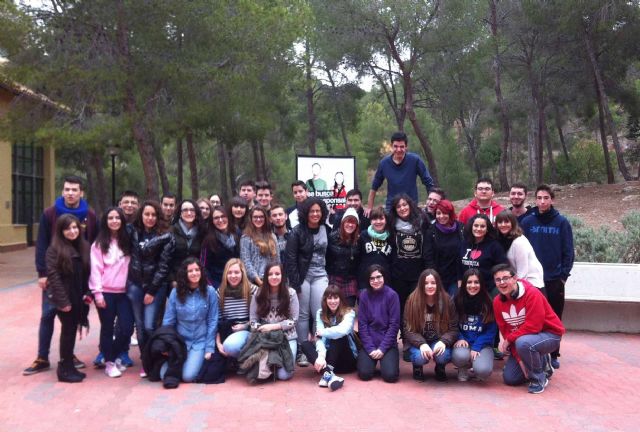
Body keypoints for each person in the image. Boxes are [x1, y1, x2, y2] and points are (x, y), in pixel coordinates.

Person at [24, 175, 97, 376]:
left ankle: (68, 356)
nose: (70, 193)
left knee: (72, 319)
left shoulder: (90, 215)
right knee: (48, 315)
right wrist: (42, 273)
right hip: (54, 275)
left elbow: (94, 244)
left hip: (77, 279)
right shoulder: (50, 213)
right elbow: (42, 244)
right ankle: (42, 357)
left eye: (75, 189)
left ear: (81, 192)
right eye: (67, 189)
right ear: (62, 191)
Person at [520, 184, 574, 369]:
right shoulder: (527, 222)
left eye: (546, 198)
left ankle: (554, 353)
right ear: (535, 200)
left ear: (552, 200)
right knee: (533, 317)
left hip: (554, 279)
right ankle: (534, 352)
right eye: (539, 198)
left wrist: (563, 276)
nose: (542, 201)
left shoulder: (561, 222)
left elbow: (569, 251)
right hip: (532, 281)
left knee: (554, 317)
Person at [492, 264, 565, 394]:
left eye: (506, 278)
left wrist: (509, 339)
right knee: (510, 378)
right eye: (498, 280)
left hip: (550, 334)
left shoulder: (532, 293)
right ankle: (542, 362)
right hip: (524, 340)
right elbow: (506, 331)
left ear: (515, 278)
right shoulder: (497, 302)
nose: (502, 283)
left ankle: (538, 379)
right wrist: (519, 359)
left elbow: (534, 326)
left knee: (523, 343)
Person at [127, 200, 175, 376]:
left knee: (149, 326)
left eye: (153, 215)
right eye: (147, 214)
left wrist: (152, 291)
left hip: (155, 287)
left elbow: (163, 267)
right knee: (139, 327)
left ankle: (155, 358)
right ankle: (145, 361)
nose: (150, 218)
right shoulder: (133, 233)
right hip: (135, 285)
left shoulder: (165, 236)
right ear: (141, 215)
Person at [284, 197, 330, 367]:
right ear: (305, 213)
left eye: (318, 211)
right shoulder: (296, 232)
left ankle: (319, 347)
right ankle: (302, 350)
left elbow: (330, 255)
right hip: (302, 277)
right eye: (312, 211)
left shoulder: (326, 229)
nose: (315, 214)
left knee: (318, 312)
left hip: (320, 276)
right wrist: (295, 284)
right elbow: (290, 260)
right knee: (302, 314)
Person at [45, 214, 91, 382]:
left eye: (75, 227)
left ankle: (69, 365)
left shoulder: (83, 246)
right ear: (60, 231)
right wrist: (63, 302)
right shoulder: (54, 249)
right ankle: (64, 368)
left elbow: (87, 274)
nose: (72, 231)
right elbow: (54, 277)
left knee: (70, 331)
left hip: (79, 297)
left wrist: (88, 294)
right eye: (68, 228)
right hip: (66, 299)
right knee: (68, 332)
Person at [89, 207, 134, 378]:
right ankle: (109, 363)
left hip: (124, 293)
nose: (114, 221)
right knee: (107, 329)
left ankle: (111, 356)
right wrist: (97, 293)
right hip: (106, 293)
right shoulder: (99, 244)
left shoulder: (127, 242)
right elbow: (95, 270)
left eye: (117, 218)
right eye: (110, 218)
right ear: (105, 221)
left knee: (127, 328)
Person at [162, 258, 218, 383]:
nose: (194, 273)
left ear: (201, 272)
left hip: (200, 342)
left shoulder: (210, 292)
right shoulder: (175, 293)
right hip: (180, 342)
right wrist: (167, 344)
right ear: (184, 274)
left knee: (188, 376)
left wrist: (209, 348)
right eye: (190, 271)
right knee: (163, 375)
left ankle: (190, 364)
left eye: (197, 270)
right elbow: (168, 321)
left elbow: (213, 321)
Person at [404, 269, 458, 382]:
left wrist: (443, 341)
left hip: (438, 339)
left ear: (438, 284)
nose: (430, 286)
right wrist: (421, 344)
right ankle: (417, 367)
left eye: (433, 283)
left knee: (443, 356)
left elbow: (453, 328)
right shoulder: (412, 300)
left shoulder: (447, 300)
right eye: (426, 283)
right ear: (421, 284)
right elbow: (407, 329)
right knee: (420, 357)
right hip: (419, 341)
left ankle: (440, 367)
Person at [300, 286, 357, 391]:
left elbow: (343, 330)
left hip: (347, 360)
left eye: (336, 298)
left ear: (340, 299)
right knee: (305, 344)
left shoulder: (349, 313)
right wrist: (321, 357)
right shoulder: (320, 313)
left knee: (338, 336)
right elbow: (319, 338)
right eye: (329, 298)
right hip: (327, 358)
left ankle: (326, 373)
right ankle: (329, 375)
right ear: (325, 300)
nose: (333, 301)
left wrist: (323, 332)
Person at [249, 263, 299, 381]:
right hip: (265, 337)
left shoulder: (291, 293)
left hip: (287, 337)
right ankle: (269, 366)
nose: (274, 277)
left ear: (282, 276)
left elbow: (294, 320)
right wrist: (262, 329)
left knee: (284, 375)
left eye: (277, 274)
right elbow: (252, 321)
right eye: (270, 274)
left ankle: (275, 365)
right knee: (260, 371)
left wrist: (273, 327)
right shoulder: (258, 293)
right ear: (266, 277)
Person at [365, 131, 434, 214]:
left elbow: (428, 183)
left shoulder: (415, 160)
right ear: (391, 146)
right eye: (395, 146)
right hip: (391, 208)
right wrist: (369, 207)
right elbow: (374, 187)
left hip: (411, 207)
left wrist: (432, 203)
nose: (398, 150)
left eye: (402, 147)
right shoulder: (384, 163)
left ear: (406, 147)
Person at [357, 265, 400, 383]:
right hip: (369, 342)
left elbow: (394, 325)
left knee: (390, 376)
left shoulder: (392, 295)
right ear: (368, 280)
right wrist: (370, 349)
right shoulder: (364, 295)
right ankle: (370, 364)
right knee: (364, 374)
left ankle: (387, 363)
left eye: (378, 277)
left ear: (384, 277)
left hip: (387, 343)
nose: (375, 281)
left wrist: (382, 349)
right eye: (372, 278)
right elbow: (362, 325)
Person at [452, 269, 497, 382]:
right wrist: (460, 337)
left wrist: (477, 346)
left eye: (476, 282)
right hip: (464, 342)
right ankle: (463, 367)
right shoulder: (457, 299)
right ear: (464, 284)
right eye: (469, 282)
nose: (473, 285)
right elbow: (451, 324)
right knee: (460, 356)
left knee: (483, 371)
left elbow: (491, 330)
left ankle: (477, 366)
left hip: (482, 344)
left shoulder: (488, 302)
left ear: (481, 284)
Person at [388, 194, 428, 323]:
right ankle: (405, 338)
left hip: (418, 273)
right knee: (401, 307)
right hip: (399, 274)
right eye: (398, 206)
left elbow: (428, 246)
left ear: (410, 205)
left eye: (404, 205)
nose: (402, 208)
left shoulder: (422, 221)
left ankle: (417, 338)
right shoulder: (391, 224)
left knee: (416, 307)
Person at [215, 259, 258, 358]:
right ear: (225, 274)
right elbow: (216, 321)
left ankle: (244, 358)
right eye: (229, 272)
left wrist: (245, 325)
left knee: (230, 346)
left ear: (242, 273)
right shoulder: (220, 292)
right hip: (226, 331)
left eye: (236, 272)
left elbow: (260, 317)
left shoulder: (252, 290)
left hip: (248, 331)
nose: (233, 276)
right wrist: (218, 343)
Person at [458, 213, 508, 297]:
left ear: (487, 229)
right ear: (471, 227)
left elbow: (502, 269)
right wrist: (460, 289)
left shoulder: (494, 246)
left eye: (482, 226)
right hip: (467, 287)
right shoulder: (464, 244)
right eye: (476, 225)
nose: (478, 229)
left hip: (488, 288)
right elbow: (459, 269)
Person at [424, 199, 464, 298]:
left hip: (456, 277)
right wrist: (433, 278)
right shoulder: (431, 232)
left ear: (450, 213)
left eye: (445, 213)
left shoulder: (461, 228)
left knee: (454, 304)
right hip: (439, 277)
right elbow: (428, 257)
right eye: (438, 213)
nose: (441, 216)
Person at [495, 210, 544, 290]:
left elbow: (523, 272)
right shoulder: (502, 240)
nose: (503, 225)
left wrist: (516, 291)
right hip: (517, 283)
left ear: (513, 223)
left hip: (531, 285)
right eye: (500, 222)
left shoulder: (518, 242)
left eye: (507, 222)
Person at [326, 208, 361, 306]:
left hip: (350, 279)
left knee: (348, 311)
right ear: (342, 222)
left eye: (353, 222)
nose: (350, 225)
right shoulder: (331, 238)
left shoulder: (359, 241)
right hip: (333, 277)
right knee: (333, 309)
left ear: (357, 225)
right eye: (348, 221)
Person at [169, 200, 206, 287]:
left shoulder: (202, 232)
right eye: (185, 210)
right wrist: (172, 280)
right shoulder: (171, 231)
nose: (189, 213)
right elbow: (166, 259)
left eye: (192, 210)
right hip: (176, 280)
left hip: (196, 279)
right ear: (180, 213)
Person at [201, 206, 240, 288]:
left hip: (237, 278)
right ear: (212, 221)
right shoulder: (208, 241)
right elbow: (203, 266)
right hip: (217, 281)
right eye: (216, 218)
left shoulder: (237, 234)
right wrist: (211, 286)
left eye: (223, 216)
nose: (220, 220)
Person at [240, 206, 280, 287]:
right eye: (255, 217)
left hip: (272, 279)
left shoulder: (272, 236)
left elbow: (277, 260)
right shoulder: (246, 237)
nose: (258, 219)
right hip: (253, 283)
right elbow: (246, 262)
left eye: (261, 217)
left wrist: (275, 277)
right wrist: (259, 281)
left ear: (265, 218)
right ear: (251, 219)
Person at [358, 206, 393, 291]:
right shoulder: (363, 235)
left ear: (386, 220)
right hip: (365, 282)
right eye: (374, 219)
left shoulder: (392, 237)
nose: (378, 222)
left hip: (385, 282)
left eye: (381, 219)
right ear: (370, 221)